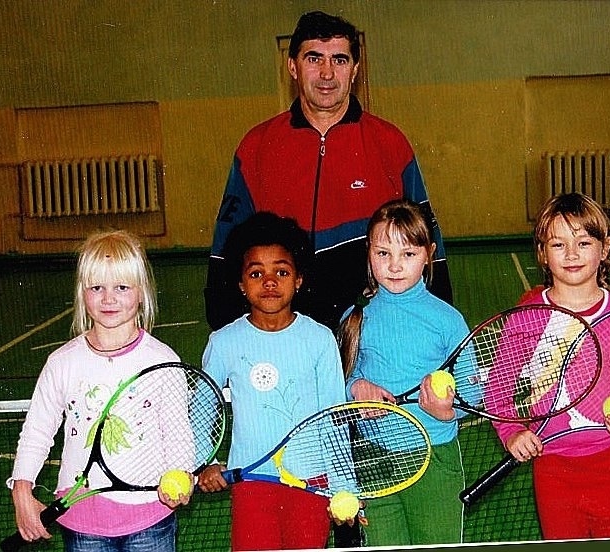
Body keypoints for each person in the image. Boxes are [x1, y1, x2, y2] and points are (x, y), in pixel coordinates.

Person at [204, 9, 453, 335]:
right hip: (283, 333)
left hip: (369, 333)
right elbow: (229, 243)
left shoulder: (390, 144)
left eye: (339, 60)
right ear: (292, 66)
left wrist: (439, 313)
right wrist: (227, 324)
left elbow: (425, 236)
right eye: (313, 58)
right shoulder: (256, 147)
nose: (326, 74)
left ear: (355, 70)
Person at [492, 192, 610, 539]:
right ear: (542, 253)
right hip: (552, 469)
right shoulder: (525, 318)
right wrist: (511, 434)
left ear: (605, 248)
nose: (571, 254)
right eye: (558, 244)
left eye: (583, 242)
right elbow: (499, 390)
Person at [6, 229, 182, 551]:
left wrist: (183, 475)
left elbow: (177, 434)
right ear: (82, 293)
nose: (108, 298)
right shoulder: (62, 362)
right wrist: (21, 489)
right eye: (97, 287)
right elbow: (37, 431)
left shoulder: (163, 361)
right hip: (82, 520)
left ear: (141, 292)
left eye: (122, 287)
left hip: (150, 519)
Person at [195, 212, 347, 551]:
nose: (269, 281)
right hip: (251, 484)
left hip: (311, 482)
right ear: (240, 283)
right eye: (256, 273)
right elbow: (203, 410)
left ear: (298, 280)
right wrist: (202, 464)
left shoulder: (320, 339)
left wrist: (344, 485)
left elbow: (334, 415)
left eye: (281, 271)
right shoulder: (223, 342)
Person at [340, 199, 472, 546]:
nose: (395, 266)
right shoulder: (355, 318)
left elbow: (473, 390)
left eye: (408, 254)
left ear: (428, 254)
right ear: (369, 252)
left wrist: (448, 409)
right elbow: (339, 382)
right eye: (383, 253)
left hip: (434, 456)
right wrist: (357, 388)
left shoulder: (448, 320)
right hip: (373, 457)